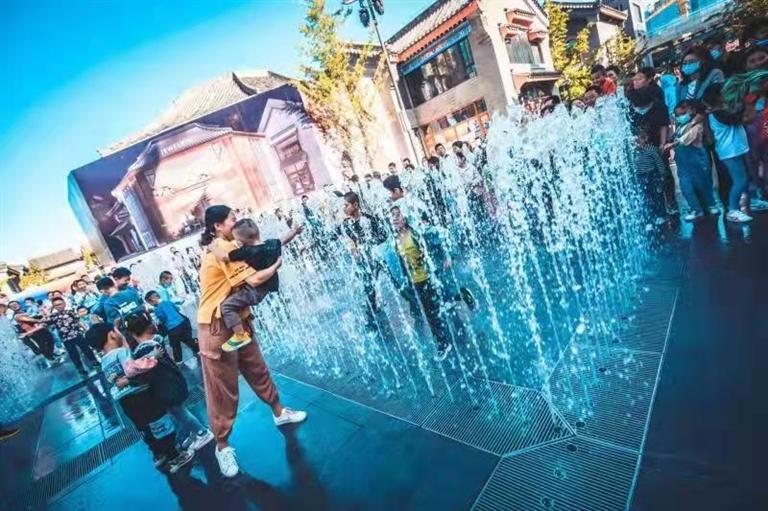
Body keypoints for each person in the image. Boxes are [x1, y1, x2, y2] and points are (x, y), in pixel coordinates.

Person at [197, 205, 307, 478]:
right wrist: (276, 265)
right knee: (223, 389)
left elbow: (265, 246)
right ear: (218, 226)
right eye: (232, 219)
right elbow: (256, 279)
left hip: (238, 319)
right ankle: (222, 446)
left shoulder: (231, 244)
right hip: (217, 326)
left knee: (257, 368)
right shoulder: (221, 249)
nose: (236, 222)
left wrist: (289, 236)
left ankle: (279, 412)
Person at [85, 322, 194, 473]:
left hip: (125, 401)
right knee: (159, 423)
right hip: (140, 395)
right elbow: (134, 368)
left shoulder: (104, 361)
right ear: (112, 334)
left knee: (144, 427)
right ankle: (175, 456)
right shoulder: (121, 352)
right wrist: (153, 357)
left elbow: (120, 374)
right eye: (117, 330)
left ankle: (158, 454)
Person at [123, 311, 213, 453]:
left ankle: (202, 432)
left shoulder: (144, 350)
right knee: (179, 412)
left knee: (180, 413)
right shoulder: (155, 340)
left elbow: (142, 369)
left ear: (131, 333)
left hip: (166, 388)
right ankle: (193, 432)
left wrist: (128, 379)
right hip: (172, 383)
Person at [213, 218, 302, 352]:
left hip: (254, 291)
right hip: (268, 287)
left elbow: (224, 257)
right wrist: (294, 231)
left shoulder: (246, 251)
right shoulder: (272, 244)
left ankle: (240, 335)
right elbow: (284, 239)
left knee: (226, 306)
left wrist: (212, 247)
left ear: (241, 241)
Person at [390, 206, 453, 362]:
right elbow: (402, 263)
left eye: (398, 215)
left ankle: (444, 343)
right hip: (415, 282)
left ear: (405, 217)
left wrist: (447, 256)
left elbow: (435, 241)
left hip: (428, 278)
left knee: (436, 309)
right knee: (432, 312)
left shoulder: (416, 234)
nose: (395, 219)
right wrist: (406, 281)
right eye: (393, 216)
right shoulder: (396, 239)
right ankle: (443, 341)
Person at [702, 83, 753, 223]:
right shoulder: (719, 113)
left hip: (735, 149)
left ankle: (739, 206)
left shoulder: (721, 110)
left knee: (743, 178)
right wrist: (745, 101)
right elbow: (735, 118)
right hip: (730, 151)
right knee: (740, 180)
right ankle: (733, 210)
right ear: (717, 96)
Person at [664, 100, 719, 221]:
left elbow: (689, 137)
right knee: (686, 187)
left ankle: (710, 204)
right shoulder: (679, 127)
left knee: (704, 184)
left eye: (682, 114)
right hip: (683, 165)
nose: (679, 117)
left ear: (691, 111)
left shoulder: (697, 125)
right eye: (677, 115)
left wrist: (674, 143)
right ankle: (696, 209)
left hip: (698, 161)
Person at [47, 296, 99, 375]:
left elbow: (78, 321)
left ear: (64, 304)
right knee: (74, 355)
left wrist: (86, 329)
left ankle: (95, 362)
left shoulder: (70, 312)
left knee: (86, 349)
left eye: (60, 304)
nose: (59, 306)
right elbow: (45, 322)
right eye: (56, 305)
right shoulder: (53, 316)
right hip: (66, 338)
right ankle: (80, 369)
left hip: (77, 334)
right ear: (54, 306)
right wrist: (50, 309)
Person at [145, 290, 199, 363]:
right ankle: (198, 350)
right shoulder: (168, 302)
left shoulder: (157, 309)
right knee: (188, 339)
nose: (151, 305)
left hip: (172, 328)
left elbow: (162, 318)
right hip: (182, 322)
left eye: (150, 303)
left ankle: (179, 361)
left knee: (175, 345)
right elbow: (177, 309)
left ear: (153, 299)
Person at [633, 129, 668, 224]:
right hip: (641, 176)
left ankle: (662, 214)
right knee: (647, 197)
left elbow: (659, 162)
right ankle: (652, 216)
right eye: (636, 141)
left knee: (657, 195)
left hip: (652, 175)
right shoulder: (635, 152)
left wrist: (662, 174)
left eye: (639, 140)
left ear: (645, 139)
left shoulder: (651, 149)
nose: (637, 142)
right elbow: (634, 165)